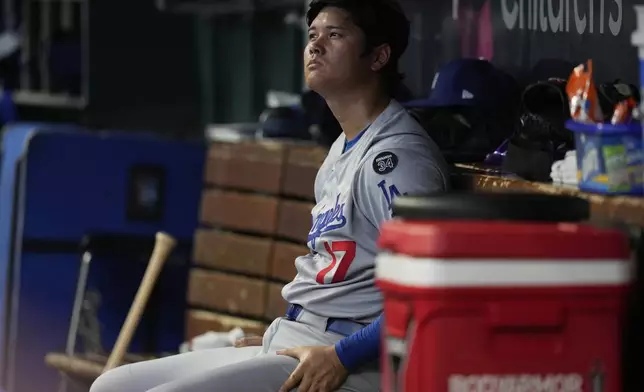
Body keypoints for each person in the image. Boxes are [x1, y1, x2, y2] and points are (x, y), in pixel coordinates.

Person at [89, 0, 449, 391]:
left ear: (378, 56)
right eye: (312, 35)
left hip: (352, 357)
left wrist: (342, 355)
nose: (316, 45)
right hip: (300, 337)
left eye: (335, 35)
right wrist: (288, 331)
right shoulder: (341, 150)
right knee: (112, 386)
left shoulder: (395, 158)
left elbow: (428, 287)